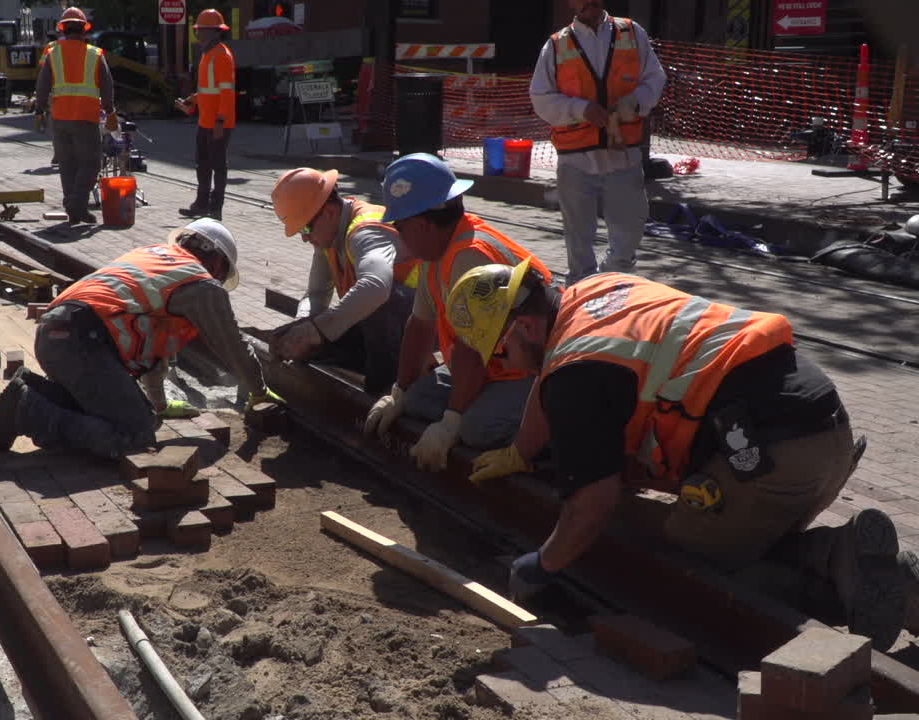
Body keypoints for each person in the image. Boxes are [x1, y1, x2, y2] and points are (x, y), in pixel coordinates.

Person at [450, 263, 917, 650]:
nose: (503, 365)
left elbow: (593, 504)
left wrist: (544, 563)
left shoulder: (575, 377)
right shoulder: (594, 292)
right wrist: (521, 450)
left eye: (500, 353)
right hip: (825, 430)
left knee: (689, 562)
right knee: (735, 529)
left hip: (770, 460)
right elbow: (550, 372)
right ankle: (861, 565)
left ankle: (841, 570)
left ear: (525, 326)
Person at [0, 219, 281, 460]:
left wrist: (158, 404)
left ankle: (31, 392)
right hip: (83, 342)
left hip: (56, 335)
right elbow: (232, 345)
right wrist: (259, 391)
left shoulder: (156, 260)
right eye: (222, 274)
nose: (218, 280)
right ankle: (26, 411)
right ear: (216, 262)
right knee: (135, 435)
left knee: (136, 416)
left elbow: (155, 348)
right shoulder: (200, 284)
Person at [362, 154, 551, 470]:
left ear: (421, 225)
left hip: (530, 369)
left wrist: (452, 422)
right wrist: (399, 392)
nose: (397, 234)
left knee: (476, 430)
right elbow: (420, 325)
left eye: (399, 226)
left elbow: (470, 349)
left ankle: (550, 440)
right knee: (417, 400)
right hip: (492, 366)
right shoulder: (435, 252)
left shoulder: (469, 257)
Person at [529, 0, 666, 286]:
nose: (587, 2)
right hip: (576, 159)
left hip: (623, 155)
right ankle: (581, 290)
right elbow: (541, 98)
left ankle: (612, 282)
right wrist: (581, 109)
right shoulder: (556, 45)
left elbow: (654, 78)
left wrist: (635, 102)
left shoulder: (631, 32)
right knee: (578, 242)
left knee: (628, 235)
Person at [267, 167, 418, 395]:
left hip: (426, 323)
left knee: (377, 305)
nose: (305, 238)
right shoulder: (328, 236)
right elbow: (317, 294)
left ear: (328, 212)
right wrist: (300, 328)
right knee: (312, 339)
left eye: (306, 228)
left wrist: (317, 329)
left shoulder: (366, 231)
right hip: (387, 329)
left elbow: (376, 287)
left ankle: (385, 392)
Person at [33, 7, 116, 225]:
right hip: (85, 117)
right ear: (83, 29)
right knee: (91, 164)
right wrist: (110, 112)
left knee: (68, 166)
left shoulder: (53, 54)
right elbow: (107, 86)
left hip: (60, 118)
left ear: (63, 29)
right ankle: (76, 204)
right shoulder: (95, 54)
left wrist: (39, 111)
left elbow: (42, 86)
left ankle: (76, 210)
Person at [176, 9, 235, 221]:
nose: (198, 35)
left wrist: (220, 121)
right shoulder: (207, 55)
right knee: (203, 165)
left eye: (201, 31)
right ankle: (201, 205)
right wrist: (191, 102)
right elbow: (207, 91)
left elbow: (226, 93)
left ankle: (215, 208)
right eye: (198, 31)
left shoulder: (222, 56)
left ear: (214, 32)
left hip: (218, 123)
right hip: (205, 121)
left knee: (218, 166)